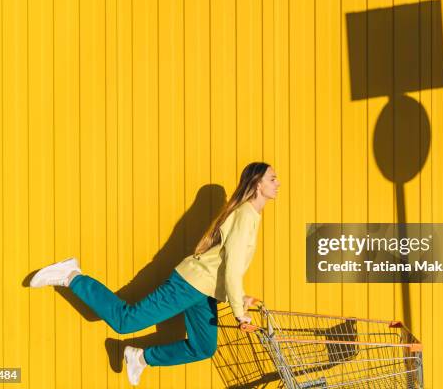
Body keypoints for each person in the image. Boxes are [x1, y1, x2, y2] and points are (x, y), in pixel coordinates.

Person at [29, 162, 279, 386]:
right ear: (258, 184)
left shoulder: (252, 215)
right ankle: (72, 275)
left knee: (204, 347)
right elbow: (233, 266)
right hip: (189, 285)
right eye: (272, 178)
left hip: (204, 292)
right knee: (124, 322)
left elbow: (224, 263)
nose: (277, 183)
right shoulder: (246, 215)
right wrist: (239, 313)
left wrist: (239, 296)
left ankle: (141, 356)